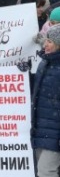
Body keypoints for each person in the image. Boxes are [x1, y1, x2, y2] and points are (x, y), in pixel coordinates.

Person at [31, 24, 60, 177]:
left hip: (54, 133)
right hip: (41, 129)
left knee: (46, 172)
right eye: (46, 40)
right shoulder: (44, 63)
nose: (45, 44)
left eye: (50, 41)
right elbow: (37, 89)